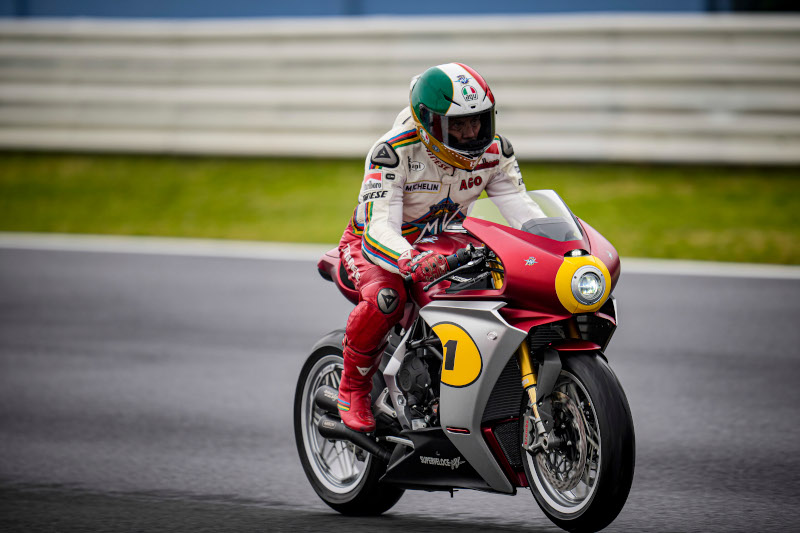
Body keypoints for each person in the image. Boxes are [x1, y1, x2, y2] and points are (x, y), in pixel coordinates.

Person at [336, 63, 542, 433]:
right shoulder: (392, 151)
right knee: (386, 297)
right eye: (458, 125)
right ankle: (352, 387)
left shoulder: (496, 151)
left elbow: (522, 210)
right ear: (428, 124)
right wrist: (409, 259)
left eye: (477, 121)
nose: (470, 133)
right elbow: (378, 225)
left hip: (449, 245)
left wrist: (552, 242)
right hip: (376, 247)